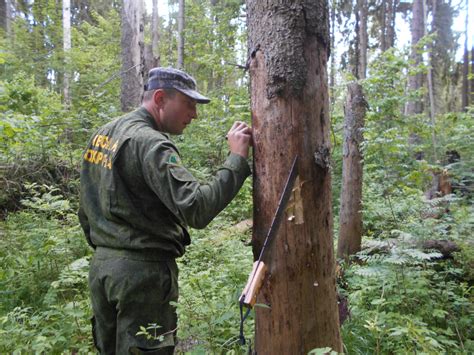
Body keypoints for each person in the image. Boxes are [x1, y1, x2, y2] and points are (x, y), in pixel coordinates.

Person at [78, 67, 252, 354]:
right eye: (189, 103)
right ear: (160, 98)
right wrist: (236, 159)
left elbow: (85, 209)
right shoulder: (152, 144)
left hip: (102, 271)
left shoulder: (104, 134)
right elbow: (196, 208)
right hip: (142, 276)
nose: (194, 114)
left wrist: (109, 249)